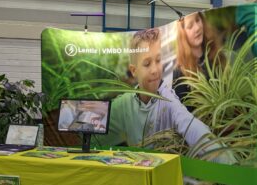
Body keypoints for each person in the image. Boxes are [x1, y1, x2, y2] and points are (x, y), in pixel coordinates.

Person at [99, 28, 236, 164]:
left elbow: (192, 127)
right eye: (147, 64)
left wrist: (228, 161)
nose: (154, 70)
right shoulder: (124, 103)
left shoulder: (168, 101)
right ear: (134, 71)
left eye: (158, 61)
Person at [173, 12, 226, 108]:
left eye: (198, 20)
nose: (197, 28)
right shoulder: (179, 74)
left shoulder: (215, 53)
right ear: (182, 34)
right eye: (190, 26)